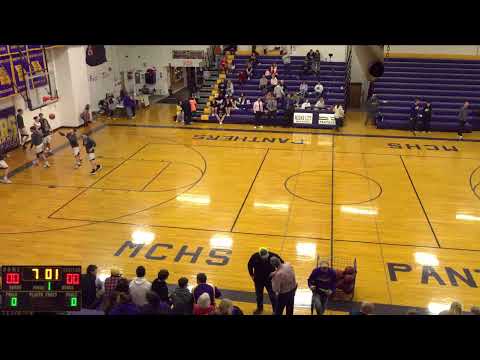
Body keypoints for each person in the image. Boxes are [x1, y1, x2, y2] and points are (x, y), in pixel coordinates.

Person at [247, 247, 284, 315]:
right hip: (258, 280)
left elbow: (282, 264)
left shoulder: (273, 256)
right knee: (259, 296)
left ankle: (275, 311)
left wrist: (276, 272)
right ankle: (259, 308)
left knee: (272, 296)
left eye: (266, 258)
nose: (265, 259)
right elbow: (249, 265)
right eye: (263, 258)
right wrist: (251, 275)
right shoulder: (255, 256)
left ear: (268, 253)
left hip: (269, 280)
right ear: (260, 255)